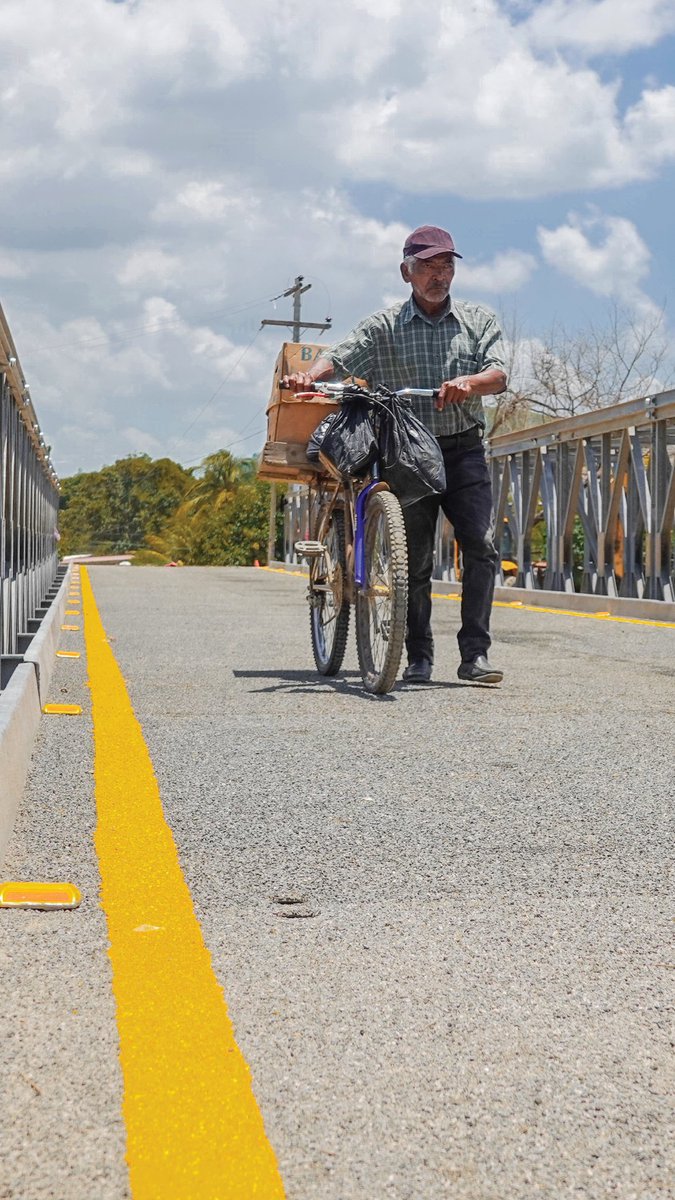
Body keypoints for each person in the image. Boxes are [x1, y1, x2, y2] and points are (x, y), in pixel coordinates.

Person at [282, 224, 507, 685]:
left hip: (462, 448)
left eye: (445, 265)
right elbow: (341, 357)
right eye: (427, 266)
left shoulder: (477, 320)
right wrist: (311, 376)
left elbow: (499, 372)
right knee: (415, 559)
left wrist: (470, 383)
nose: (438, 275)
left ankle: (475, 656)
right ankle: (419, 656)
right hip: (407, 454)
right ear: (406, 272)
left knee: (480, 546)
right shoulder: (383, 327)